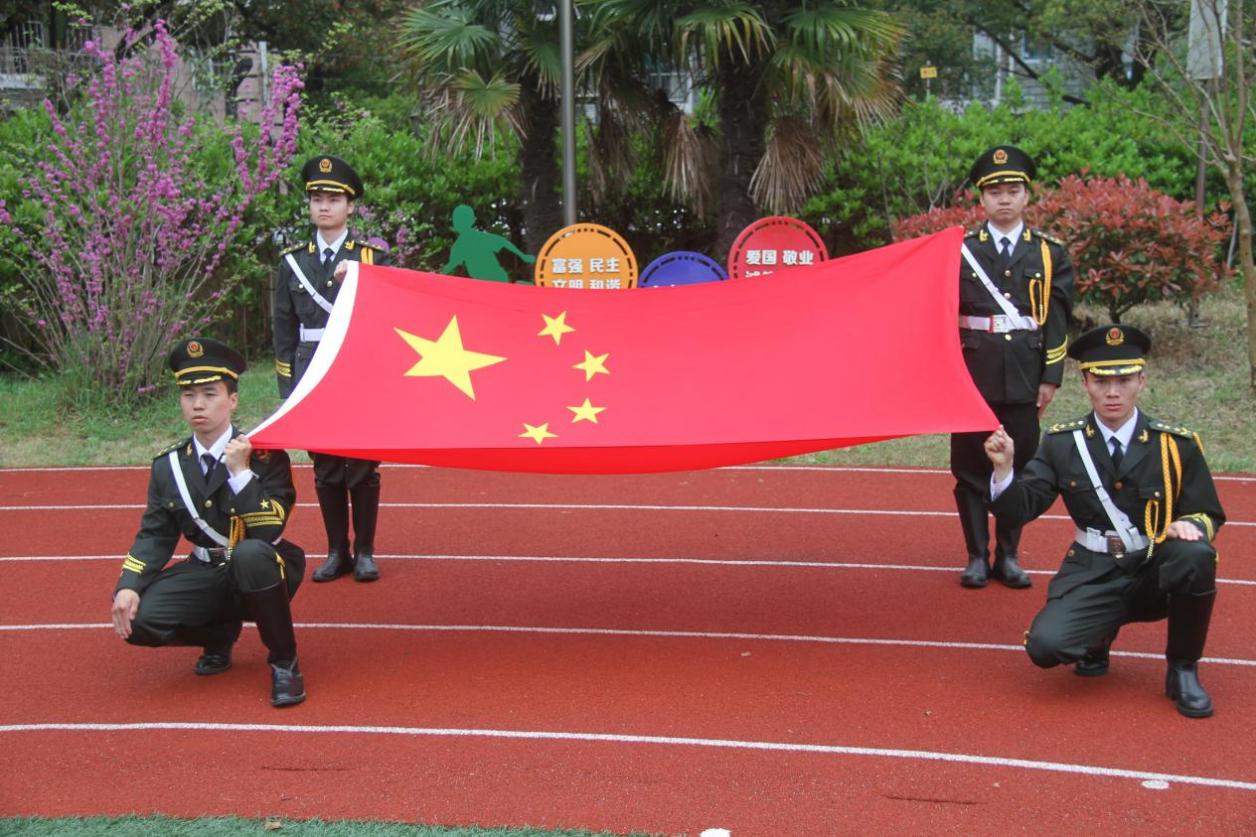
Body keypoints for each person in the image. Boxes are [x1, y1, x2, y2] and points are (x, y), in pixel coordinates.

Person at [985, 324, 1225, 718]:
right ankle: (1097, 637)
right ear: (1085, 384)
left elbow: (1208, 511)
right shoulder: (1063, 443)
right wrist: (1004, 469)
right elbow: (1019, 510)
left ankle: (1183, 669)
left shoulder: (1174, 444)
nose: (1113, 392)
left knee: (1195, 555)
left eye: (1124, 380)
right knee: (1045, 647)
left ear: (1141, 382)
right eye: (1100, 381)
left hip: (1152, 565)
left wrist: (1192, 526)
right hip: (1092, 568)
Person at [110, 338, 308, 707]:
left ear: (232, 400)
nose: (198, 404)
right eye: (188, 395)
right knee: (137, 620)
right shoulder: (169, 465)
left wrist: (241, 473)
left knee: (250, 553)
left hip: (264, 567)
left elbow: (270, 530)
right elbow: (155, 535)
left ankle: (285, 663)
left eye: (209, 394)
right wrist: (128, 585)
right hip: (205, 567)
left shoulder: (265, 456)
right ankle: (218, 635)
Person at [952, 145, 1075, 589]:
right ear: (981, 199)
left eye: (1012, 191)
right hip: (972, 375)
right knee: (970, 469)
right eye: (994, 192)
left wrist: (1050, 377)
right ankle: (975, 556)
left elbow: (1057, 320)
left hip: (1025, 376)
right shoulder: (961, 251)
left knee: (1017, 466)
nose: (1004, 199)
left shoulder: (1049, 254)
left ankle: (1008, 555)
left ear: (1027, 195)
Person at [273, 155, 391, 583]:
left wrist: (354, 281)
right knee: (324, 467)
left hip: (358, 373)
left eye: (334, 199)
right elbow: (283, 329)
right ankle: (336, 550)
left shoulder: (371, 259)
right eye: (317, 199)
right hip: (312, 372)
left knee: (361, 465)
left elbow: (386, 320)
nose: (324, 206)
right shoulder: (291, 262)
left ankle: (365, 551)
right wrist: (289, 390)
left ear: (350, 206)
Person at [441, 203, 535, 282]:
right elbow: (451, 265)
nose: (461, 223)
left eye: (464, 220)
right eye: (458, 220)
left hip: (496, 278)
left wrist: (523, 256)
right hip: (480, 282)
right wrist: (437, 278)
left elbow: (504, 242)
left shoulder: (481, 238)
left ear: (472, 220)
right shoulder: (458, 246)